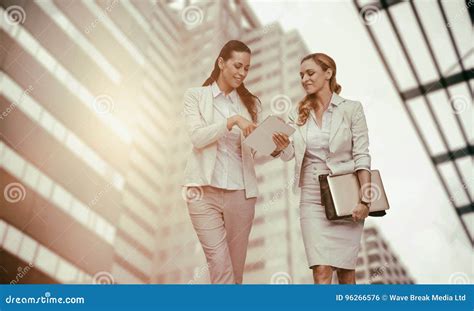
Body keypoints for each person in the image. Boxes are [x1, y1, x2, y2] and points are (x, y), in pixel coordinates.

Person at [272, 53, 372, 284]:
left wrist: (365, 200)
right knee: (321, 270)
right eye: (301, 75)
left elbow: (362, 156)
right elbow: (289, 155)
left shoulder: (351, 109)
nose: (305, 79)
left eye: (310, 73)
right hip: (311, 197)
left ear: (328, 73)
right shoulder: (296, 114)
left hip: (345, 195)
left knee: (347, 274)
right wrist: (278, 147)